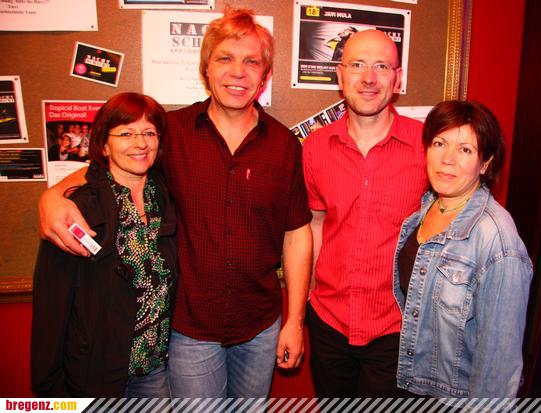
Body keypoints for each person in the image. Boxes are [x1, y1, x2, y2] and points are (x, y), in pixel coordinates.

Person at [37, 7, 312, 398]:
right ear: (206, 68)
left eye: (251, 61)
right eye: (225, 58)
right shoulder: (172, 132)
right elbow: (115, 165)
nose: (238, 72)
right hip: (190, 328)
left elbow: (297, 234)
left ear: (265, 74)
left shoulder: (285, 145)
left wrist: (294, 321)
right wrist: (53, 194)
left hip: (260, 326)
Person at [302, 29, 428, 397]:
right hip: (328, 323)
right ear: (340, 76)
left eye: (381, 67)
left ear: (397, 78)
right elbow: (316, 223)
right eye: (357, 65)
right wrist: (308, 297)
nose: (369, 78)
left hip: (397, 328)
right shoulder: (315, 146)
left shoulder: (428, 145)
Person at [31, 92, 177, 397]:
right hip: (95, 373)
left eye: (149, 133)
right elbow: (52, 306)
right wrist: (51, 389)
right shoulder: (78, 208)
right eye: (126, 133)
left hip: (154, 370)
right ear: (104, 144)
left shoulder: (165, 197)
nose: (140, 143)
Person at [393, 100, 532, 397]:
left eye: (465, 150)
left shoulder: (498, 241)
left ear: (485, 163)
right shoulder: (426, 208)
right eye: (439, 143)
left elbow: (499, 364)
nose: (447, 159)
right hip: (414, 385)